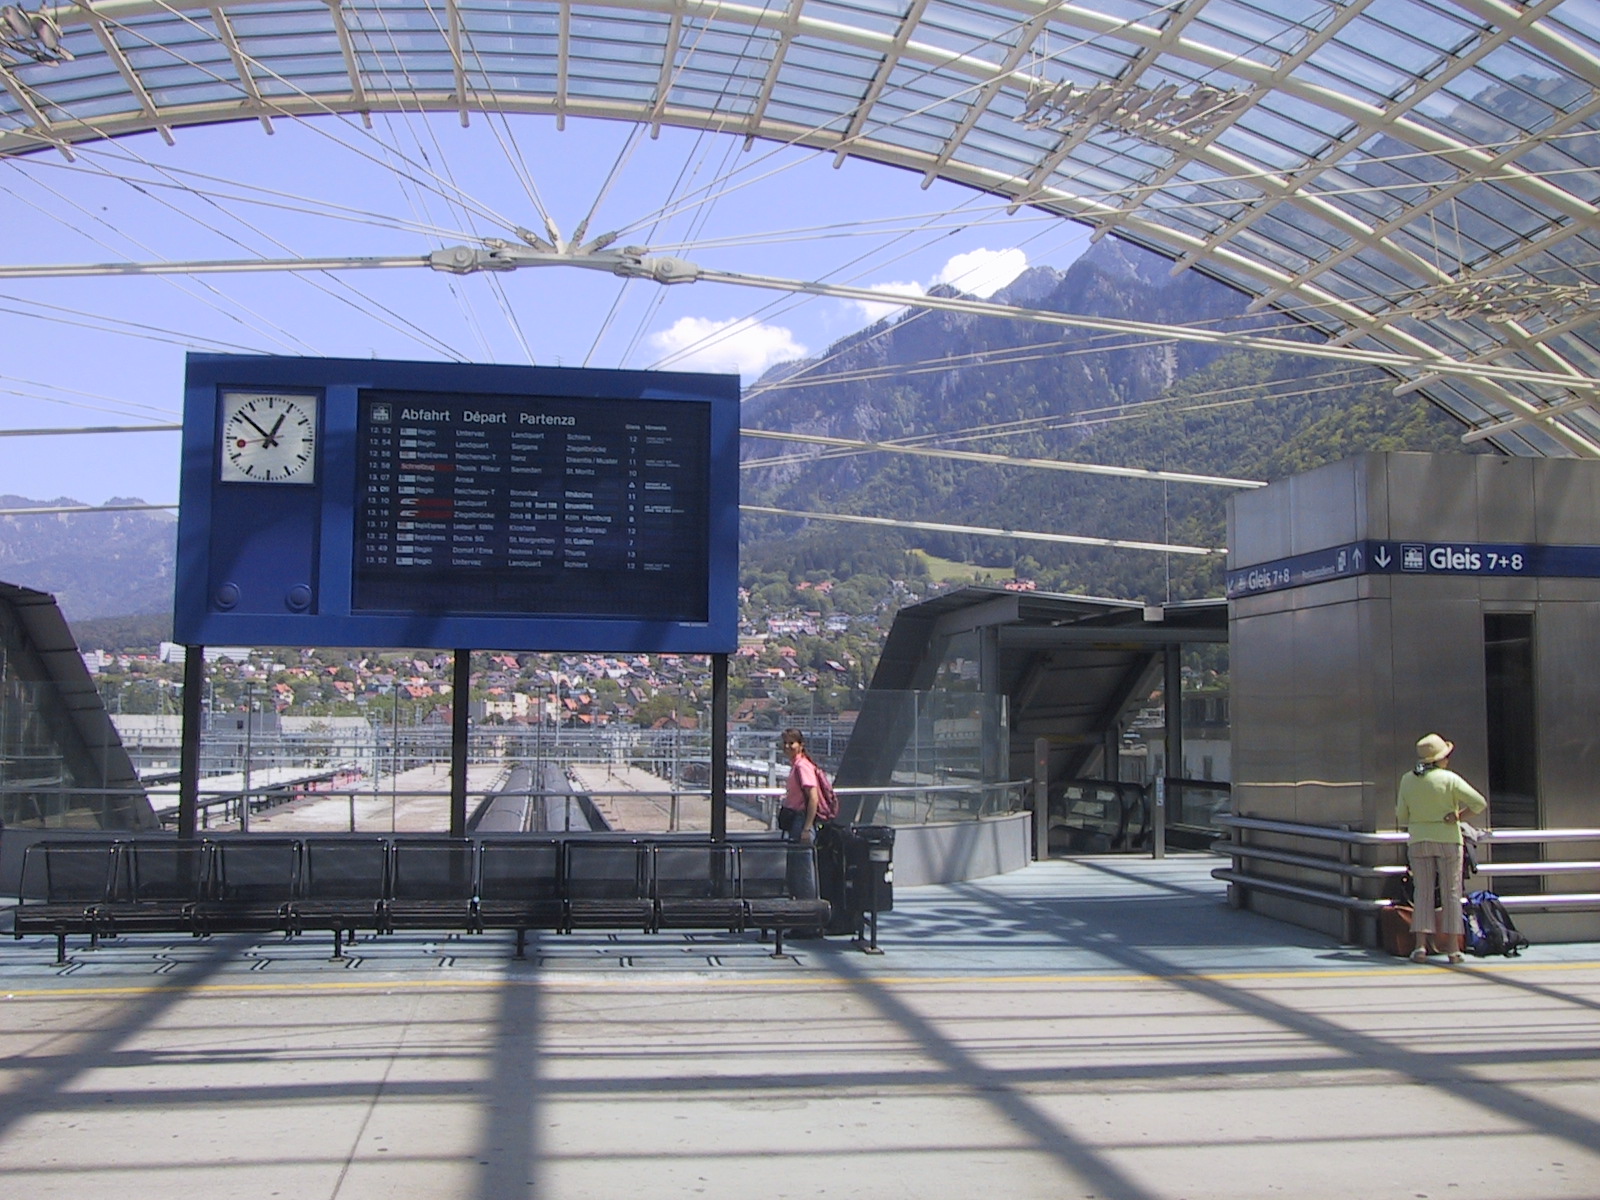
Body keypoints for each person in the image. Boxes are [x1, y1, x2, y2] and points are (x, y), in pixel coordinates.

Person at [1395, 733, 1487, 965]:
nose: (1448, 760)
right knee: (1451, 893)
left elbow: (1402, 815)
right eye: (1446, 756)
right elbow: (1479, 803)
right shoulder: (1450, 779)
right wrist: (1457, 815)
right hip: (1448, 839)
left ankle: (1420, 947)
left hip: (1418, 840)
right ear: (1439, 759)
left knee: (1422, 893)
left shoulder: (1408, 779)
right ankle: (1453, 948)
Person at [778, 728, 825, 843]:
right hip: (797, 819)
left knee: (801, 857)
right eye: (785, 743)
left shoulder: (802, 766)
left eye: (791, 743)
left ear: (801, 745)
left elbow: (813, 798)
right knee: (796, 856)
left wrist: (807, 828)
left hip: (801, 819)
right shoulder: (797, 765)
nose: (787, 746)